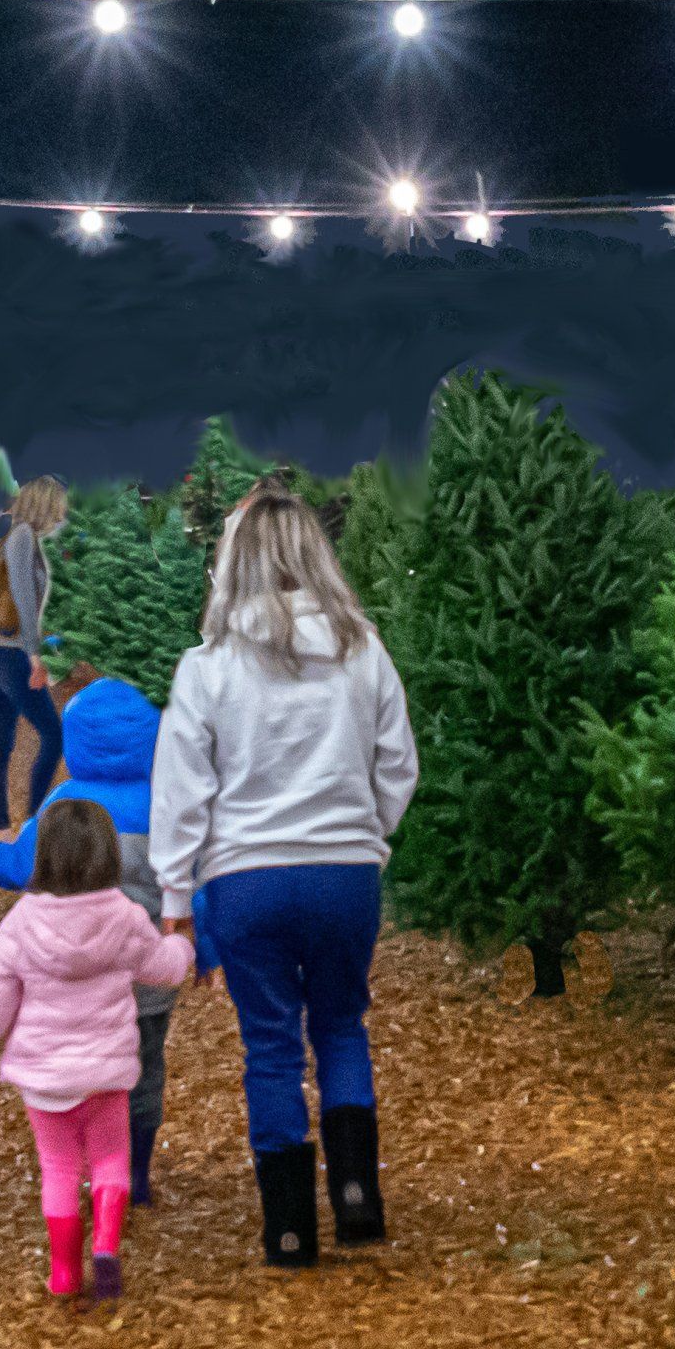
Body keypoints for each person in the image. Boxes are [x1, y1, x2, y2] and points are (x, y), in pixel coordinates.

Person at [150, 488, 419, 1268]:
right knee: (340, 1024)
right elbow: (397, 764)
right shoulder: (363, 649)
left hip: (249, 879)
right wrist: (368, 833)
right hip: (345, 874)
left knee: (270, 1046)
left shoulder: (208, 667)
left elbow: (182, 790)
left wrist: (175, 901)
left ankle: (290, 1228)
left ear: (234, 559)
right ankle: (358, 1199)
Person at [0, 677, 176, 1206]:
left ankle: (83, 1163)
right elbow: (195, 886)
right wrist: (209, 950)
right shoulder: (167, 806)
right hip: (147, 972)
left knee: (79, 1066)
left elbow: (23, 866)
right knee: (143, 1071)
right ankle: (131, 1171)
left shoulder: (65, 803)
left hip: (75, 985)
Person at [0, 799, 194, 1300]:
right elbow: (161, 966)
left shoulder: (22, 922)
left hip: (45, 1078)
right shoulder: (124, 916)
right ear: (109, 856)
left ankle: (65, 1271)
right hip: (107, 1070)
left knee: (59, 1169)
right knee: (112, 1158)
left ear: (43, 856)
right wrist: (183, 946)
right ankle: (107, 1245)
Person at [0, 478, 69, 838]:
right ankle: (33, 822)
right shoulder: (23, 536)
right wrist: (35, 655)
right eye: (58, 504)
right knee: (54, 735)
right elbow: (24, 600)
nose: (62, 512)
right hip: (8, 653)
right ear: (45, 503)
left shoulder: (10, 534)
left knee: (1, 740)